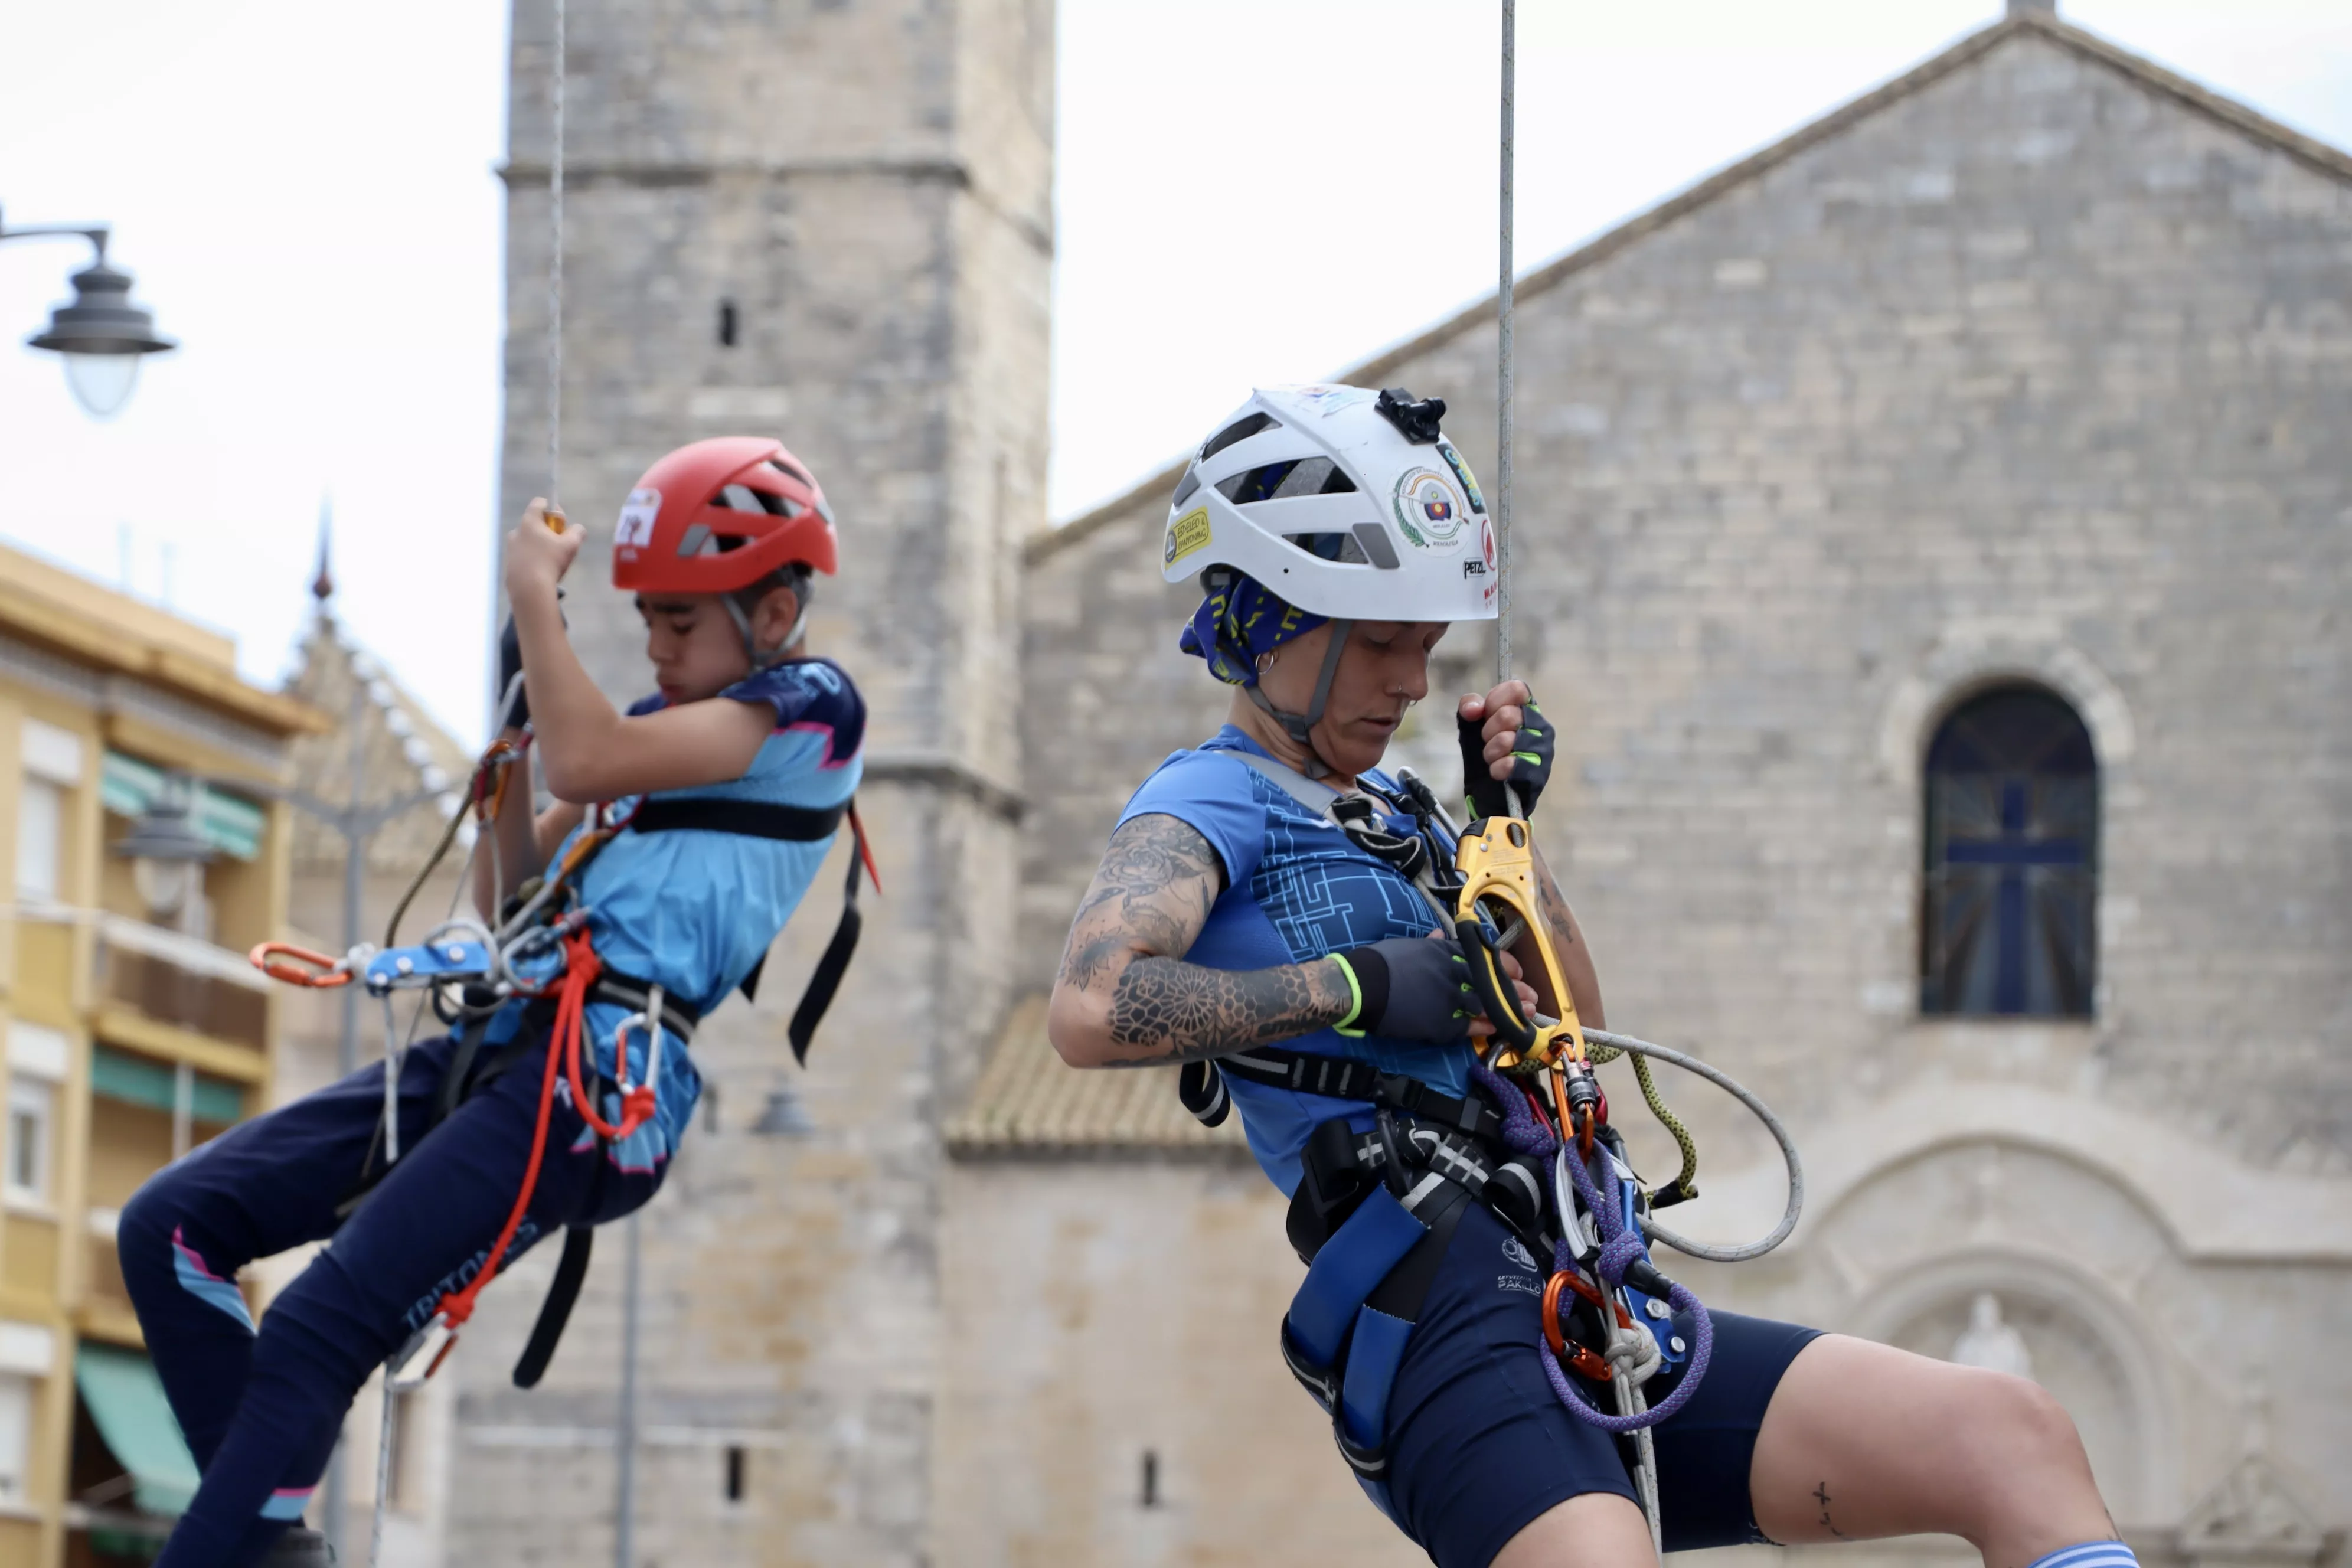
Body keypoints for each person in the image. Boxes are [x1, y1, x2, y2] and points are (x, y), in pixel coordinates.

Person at [1047, 384, 2129, 1568]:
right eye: (1384, 641)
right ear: (1266, 619)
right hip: (1441, 1320)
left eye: (1429, 644)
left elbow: (1575, 1025)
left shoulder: (1404, 810)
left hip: (1587, 1290)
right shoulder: (1206, 798)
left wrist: (1501, 825)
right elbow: (1094, 1004)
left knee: (2010, 1434)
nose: (1413, 680)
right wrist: (1352, 986)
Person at [119, 437, 867, 1568]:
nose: (657, 649)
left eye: (679, 623)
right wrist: (512, 745)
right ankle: (265, 1543)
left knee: (322, 1328)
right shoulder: (648, 734)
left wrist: (532, 600)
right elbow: (512, 886)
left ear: (770, 615)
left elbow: (588, 759)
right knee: (171, 1228)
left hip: (599, 1081)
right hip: (508, 1046)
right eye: (649, 623)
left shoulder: (812, 711)